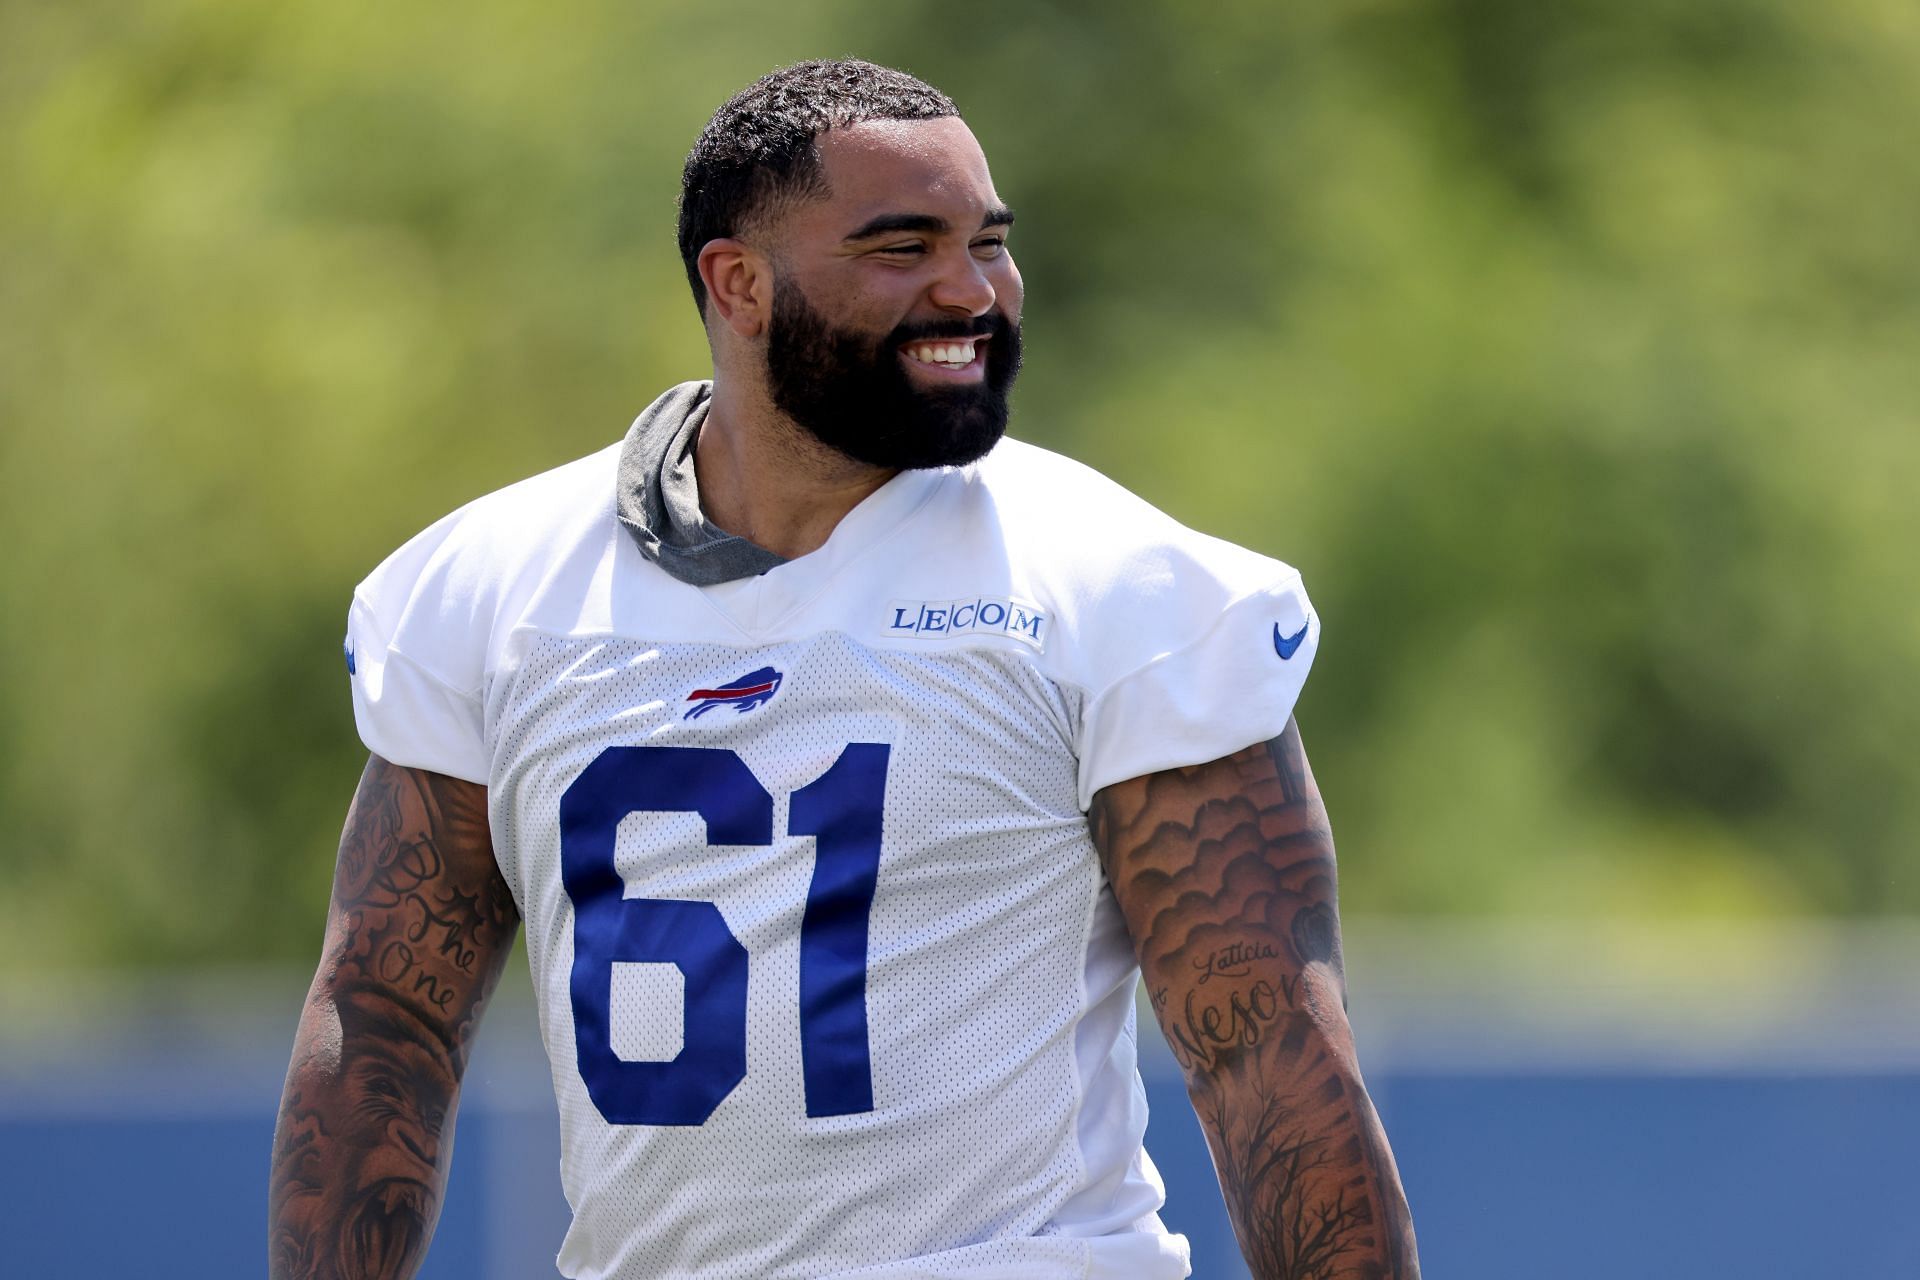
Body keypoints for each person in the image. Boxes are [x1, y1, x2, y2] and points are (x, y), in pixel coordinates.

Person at [269, 58, 1418, 1280]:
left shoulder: (1115, 585)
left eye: (988, 241)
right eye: (901, 246)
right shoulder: (494, 586)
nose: (968, 289)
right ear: (738, 281)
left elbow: (1265, 1049)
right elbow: (389, 1017)